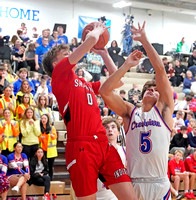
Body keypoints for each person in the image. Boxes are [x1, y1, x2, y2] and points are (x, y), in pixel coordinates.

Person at [43, 23, 137, 200]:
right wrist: (96, 33)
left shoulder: (84, 83)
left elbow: (115, 81)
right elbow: (91, 40)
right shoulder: (59, 77)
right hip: (81, 146)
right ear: (56, 63)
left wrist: (105, 53)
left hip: (103, 144)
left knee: (130, 197)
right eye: (66, 54)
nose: (71, 55)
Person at [99, 21, 173, 199]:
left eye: (156, 90)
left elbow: (160, 71)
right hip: (134, 182)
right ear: (141, 94)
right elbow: (104, 92)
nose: (152, 90)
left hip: (159, 183)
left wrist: (145, 41)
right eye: (148, 88)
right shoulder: (130, 112)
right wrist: (126, 65)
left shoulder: (164, 110)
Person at [97, 117, 126, 200]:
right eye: (106, 127)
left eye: (113, 127)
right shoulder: (96, 152)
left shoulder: (125, 151)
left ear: (118, 133)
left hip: (115, 196)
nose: (110, 130)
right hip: (98, 195)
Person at [39, 114, 57, 180]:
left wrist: (52, 136)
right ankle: (44, 178)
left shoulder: (52, 128)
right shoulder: (39, 128)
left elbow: (55, 136)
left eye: (45, 118)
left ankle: (51, 179)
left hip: (51, 150)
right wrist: (40, 138)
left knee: (50, 166)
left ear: (47, 120)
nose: (43, 120)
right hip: (42, 150)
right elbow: (38, 139)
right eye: (42, 118)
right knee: (43, 166)